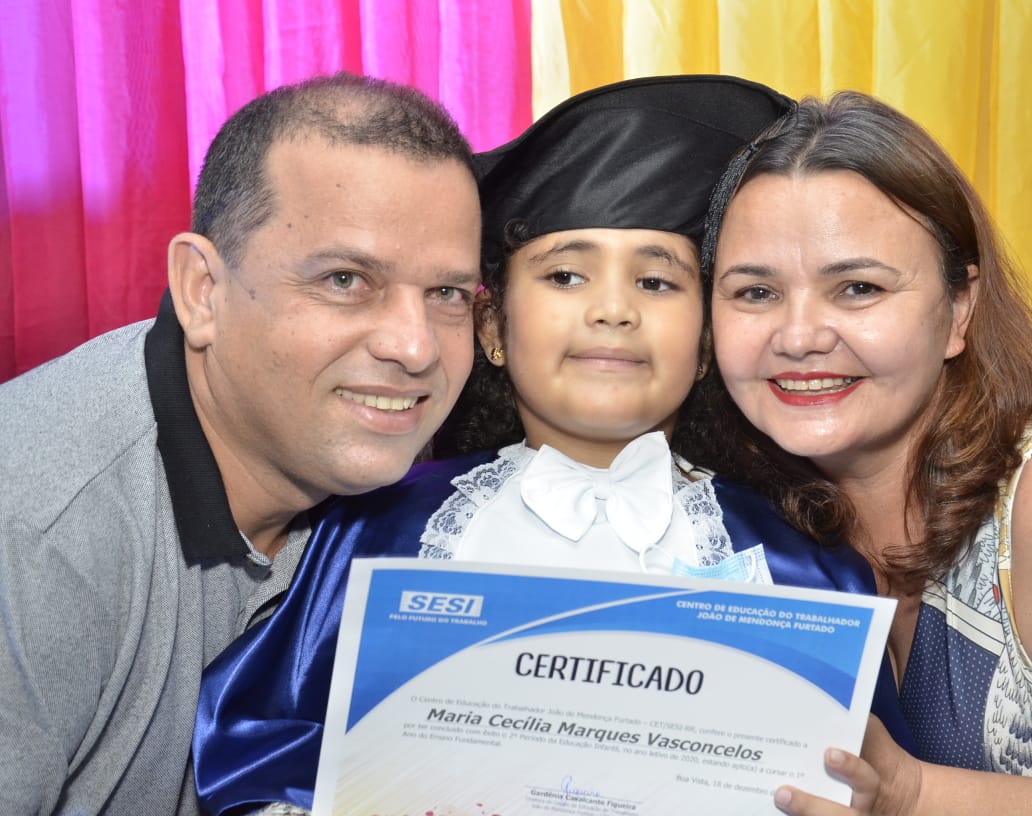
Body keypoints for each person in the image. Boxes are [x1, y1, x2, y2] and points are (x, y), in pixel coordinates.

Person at [192, 74, 911, 816]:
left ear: (705, 343)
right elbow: (256, 747)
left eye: (657, 283)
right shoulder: (377, 532)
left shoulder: (801, 570)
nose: (611, 311)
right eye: (566, 275)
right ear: (492, 329)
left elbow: (884, 779)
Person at [700, 91, 1032, 815]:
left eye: (857, 288)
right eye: (756, 291)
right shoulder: (737, 503)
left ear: (959, 308)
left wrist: (913, 796)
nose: (798, 336)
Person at [0, 73, 481, 816]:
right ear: (201, 290)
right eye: (347, 279)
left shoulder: (406, 475)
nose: (416, 349)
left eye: (448, 294)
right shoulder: (37, 529)